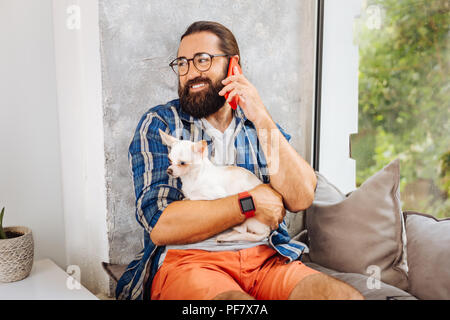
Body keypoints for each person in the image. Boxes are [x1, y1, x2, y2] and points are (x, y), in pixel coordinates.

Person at [116, 21, 364, 300]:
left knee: (342, 298)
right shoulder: (162, 124)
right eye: (183, 63)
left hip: (267, 259)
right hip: (192, 261)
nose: (190, 73)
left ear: (233, 67)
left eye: (202, 60)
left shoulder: (258, 127)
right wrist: (251, 202)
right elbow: (163, 225)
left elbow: (301, 197)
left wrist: (259, 114)